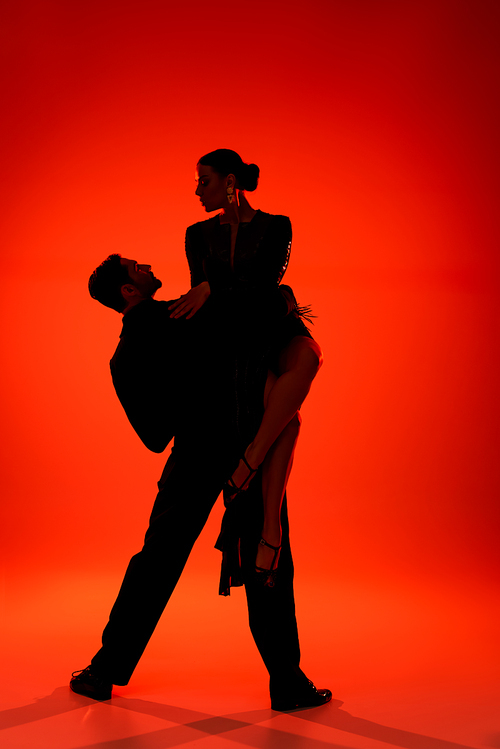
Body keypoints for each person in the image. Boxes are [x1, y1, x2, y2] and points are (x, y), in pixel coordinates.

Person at [69, 253, 332, 711]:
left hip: (193, 453)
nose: (146, 265)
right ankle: (287, 682)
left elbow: (154, 435)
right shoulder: (188, 311)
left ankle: (103, 671)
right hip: (246, 445)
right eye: (136, 267)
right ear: (129, 291)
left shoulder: (123, 358)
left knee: (158, 559)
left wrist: (185, 402)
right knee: (267, 555)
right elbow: (269, 311)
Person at [168, 148, 323, 587]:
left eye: (205, 180)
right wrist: (213, 290)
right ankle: (270, 528)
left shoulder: (277, 226)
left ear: (230, 181)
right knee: (288, 422)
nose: (198, 190)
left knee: (310, 355)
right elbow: (209, 300)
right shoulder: (196, 234)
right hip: (236, 342)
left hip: (271, 324)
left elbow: (263, 285)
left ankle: (250, 460)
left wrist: (213, 287)